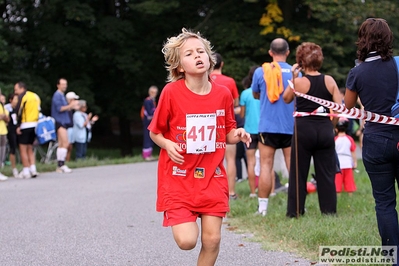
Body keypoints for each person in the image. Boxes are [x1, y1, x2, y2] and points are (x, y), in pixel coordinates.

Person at [148, 28, 251, 266]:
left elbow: (227, 132)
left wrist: (238, 134)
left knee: (213, 240)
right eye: (189, 53)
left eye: (201, 51)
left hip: (212, 176)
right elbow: (155, 131)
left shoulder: (223, 94)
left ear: (209, 57)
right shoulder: (171, 93)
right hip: (179, 177)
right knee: (187, 241)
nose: (198, 56)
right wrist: (167, 143)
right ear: (180, 66)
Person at [344, 18, 399, 257]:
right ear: (388, 39)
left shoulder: (357, 72)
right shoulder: (398, 65)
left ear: (363, 40)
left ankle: (392, 255)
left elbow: (348, 107)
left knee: (385, 202)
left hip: (376, 139)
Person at [283, 42, 341, 218]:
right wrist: (332, 126)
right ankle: (329, 212)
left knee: (298, 172)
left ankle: (295, 212)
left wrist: (293, 77)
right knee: (326, 173)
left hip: (303, 129)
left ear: (301, 61)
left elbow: (286, 99)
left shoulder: (298, 82)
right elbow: (338, 109)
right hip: (324, 128)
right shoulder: (329, 80)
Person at [251, 38, 295, 216]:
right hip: (290, 125)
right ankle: (297, 206)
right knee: (293, 167)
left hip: (267, 125)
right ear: (288, 52)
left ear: (270, 53)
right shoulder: (295, 72)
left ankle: (262, 209)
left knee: (266, 166)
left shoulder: (261, 71)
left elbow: (255, 94)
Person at [211, 53, 241, 200]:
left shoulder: (205, 80)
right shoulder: (229, 81)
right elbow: (235, 103)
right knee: (230, 159)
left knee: (209, 161)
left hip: (209, 127)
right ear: (222, 64)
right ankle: (230, 193)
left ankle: (212, 192)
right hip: (226, 126)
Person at [240, 66, 260, 197]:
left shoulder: (245, 93)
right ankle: (271, 191)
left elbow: (241, 115)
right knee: (266, 161)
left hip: (249, 131)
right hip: (264, 130)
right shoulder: (264, 92)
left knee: (251, 161)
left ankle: (253, 192)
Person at [51, 78, 79, 173]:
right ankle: (61, 164)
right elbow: (60, 108)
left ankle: (60, 164)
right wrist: (70, 106)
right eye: (63, 84)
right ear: (58, 85)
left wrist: (72, 106)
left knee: (62, 143)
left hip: (63, 121)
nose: (64, 86)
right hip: (60, 121)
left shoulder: (61, 95)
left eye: (65, 84)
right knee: (65, 143)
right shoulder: (57, 95)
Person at [14, 82, 41, 179]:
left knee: (23, 149)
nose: (15, 92)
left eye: (16, 89)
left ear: (22, 88)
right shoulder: (35, 96)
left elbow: (19, 111)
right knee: (30, 147)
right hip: (35, 124)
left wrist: (18, 125)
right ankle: (33, 168)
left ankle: (26, 170)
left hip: (25, 124)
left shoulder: (23, 97)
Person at [334, 118, 357, 196]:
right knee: (349, 182)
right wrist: (355, 162)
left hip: (338, 164)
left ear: (336, 129)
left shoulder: (335, 140)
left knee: (337, 184)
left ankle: (338, 196)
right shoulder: (349, 139)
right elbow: (353, 151)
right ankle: (350, 196)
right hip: (348, 163)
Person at [141, 85, 158, 161]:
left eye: (155, 92)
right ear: (149, 92)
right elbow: (149, 112)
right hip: (147, 122)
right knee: (147, 137)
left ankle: (149, 154)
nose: (154, 94)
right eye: (152, 92)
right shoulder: (148, 101)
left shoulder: (152, 101)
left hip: (151, 121)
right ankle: (146, 155)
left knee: (151, 138)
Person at [4, 93, 19, 178]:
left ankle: (15, 167)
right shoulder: (7, 108)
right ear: (10, 100)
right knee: (12, 148)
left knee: (14, 148)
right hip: (8, 130)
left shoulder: (16, 108)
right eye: (15, 99)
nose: (16, 101)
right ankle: (13, 168)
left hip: (15, 130)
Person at [65, 91, 79, 161]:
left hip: (71, 128)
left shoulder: (70, 109)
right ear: (70, 100)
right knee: (67, 146)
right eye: (74, 99)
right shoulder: (66, 108)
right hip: (67, 129)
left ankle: (68, 160)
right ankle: (65, 160)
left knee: (70, 146)